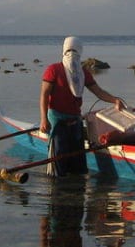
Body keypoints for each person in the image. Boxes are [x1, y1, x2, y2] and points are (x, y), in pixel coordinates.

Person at [39, 36, 125, 177]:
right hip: (56, 118)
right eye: (69, 50)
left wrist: (114, 100)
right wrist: (44, 119)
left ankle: (75, 185)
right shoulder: (53, 69)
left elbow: (99, 92)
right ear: (64, 51)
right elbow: (44, 95)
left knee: (77, 158)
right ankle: (56, 187)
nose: (72, 54)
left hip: (75, 118)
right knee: (58, 156)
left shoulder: (83, 73)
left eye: (75, 51)